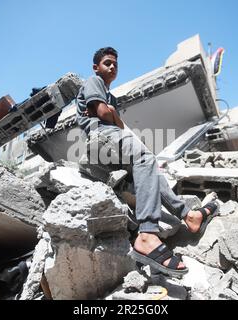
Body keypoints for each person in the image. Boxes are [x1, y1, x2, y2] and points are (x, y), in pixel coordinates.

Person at [76, 47, 219, 277]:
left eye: (115, 64)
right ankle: (147, 235)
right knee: (145, 158)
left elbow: (118, 123)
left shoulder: (109, 95)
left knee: (149, 171)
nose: (112, 67)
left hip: (109, 139)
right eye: (107, 63)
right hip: (100, 137)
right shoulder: (94, 82)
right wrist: (111, 112)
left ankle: (189, 216)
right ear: (96, 67)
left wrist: (112, 111)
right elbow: (104, 115)